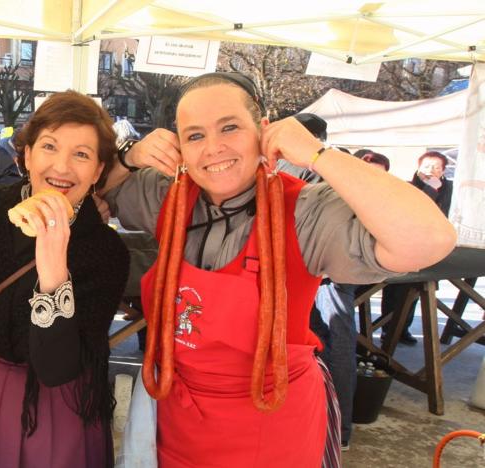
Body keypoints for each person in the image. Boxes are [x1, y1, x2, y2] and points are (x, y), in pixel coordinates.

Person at [105, 72, 455, 467]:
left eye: (230, 127)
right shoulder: (165, 195)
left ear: (265, 131)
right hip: (177, 417)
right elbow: (97, 190)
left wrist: (318, 155)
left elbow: (429, 240)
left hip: (271, 421)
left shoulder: (306, 210)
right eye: (195, 136)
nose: (214, 149)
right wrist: (128, 157)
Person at [0, 90, 129, 467]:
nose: (62, 167)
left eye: (82, 154)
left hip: (56, 411)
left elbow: (56, 368)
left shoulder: (106, 251)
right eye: (49, 146)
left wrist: (54, 265)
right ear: (26, 155)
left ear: (98, 171)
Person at [380, 150, 453, 346]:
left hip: (433, 246)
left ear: (444, 171)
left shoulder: (450, 189)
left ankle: (403, 329)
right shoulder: (407, 186)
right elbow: (414, 209)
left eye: (437, 167)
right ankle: (389, 329)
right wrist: (430, 189)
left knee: (416, 289)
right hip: (404, 245)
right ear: (418, 168)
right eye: (427, 166)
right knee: (396, 289)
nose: (432, 171)